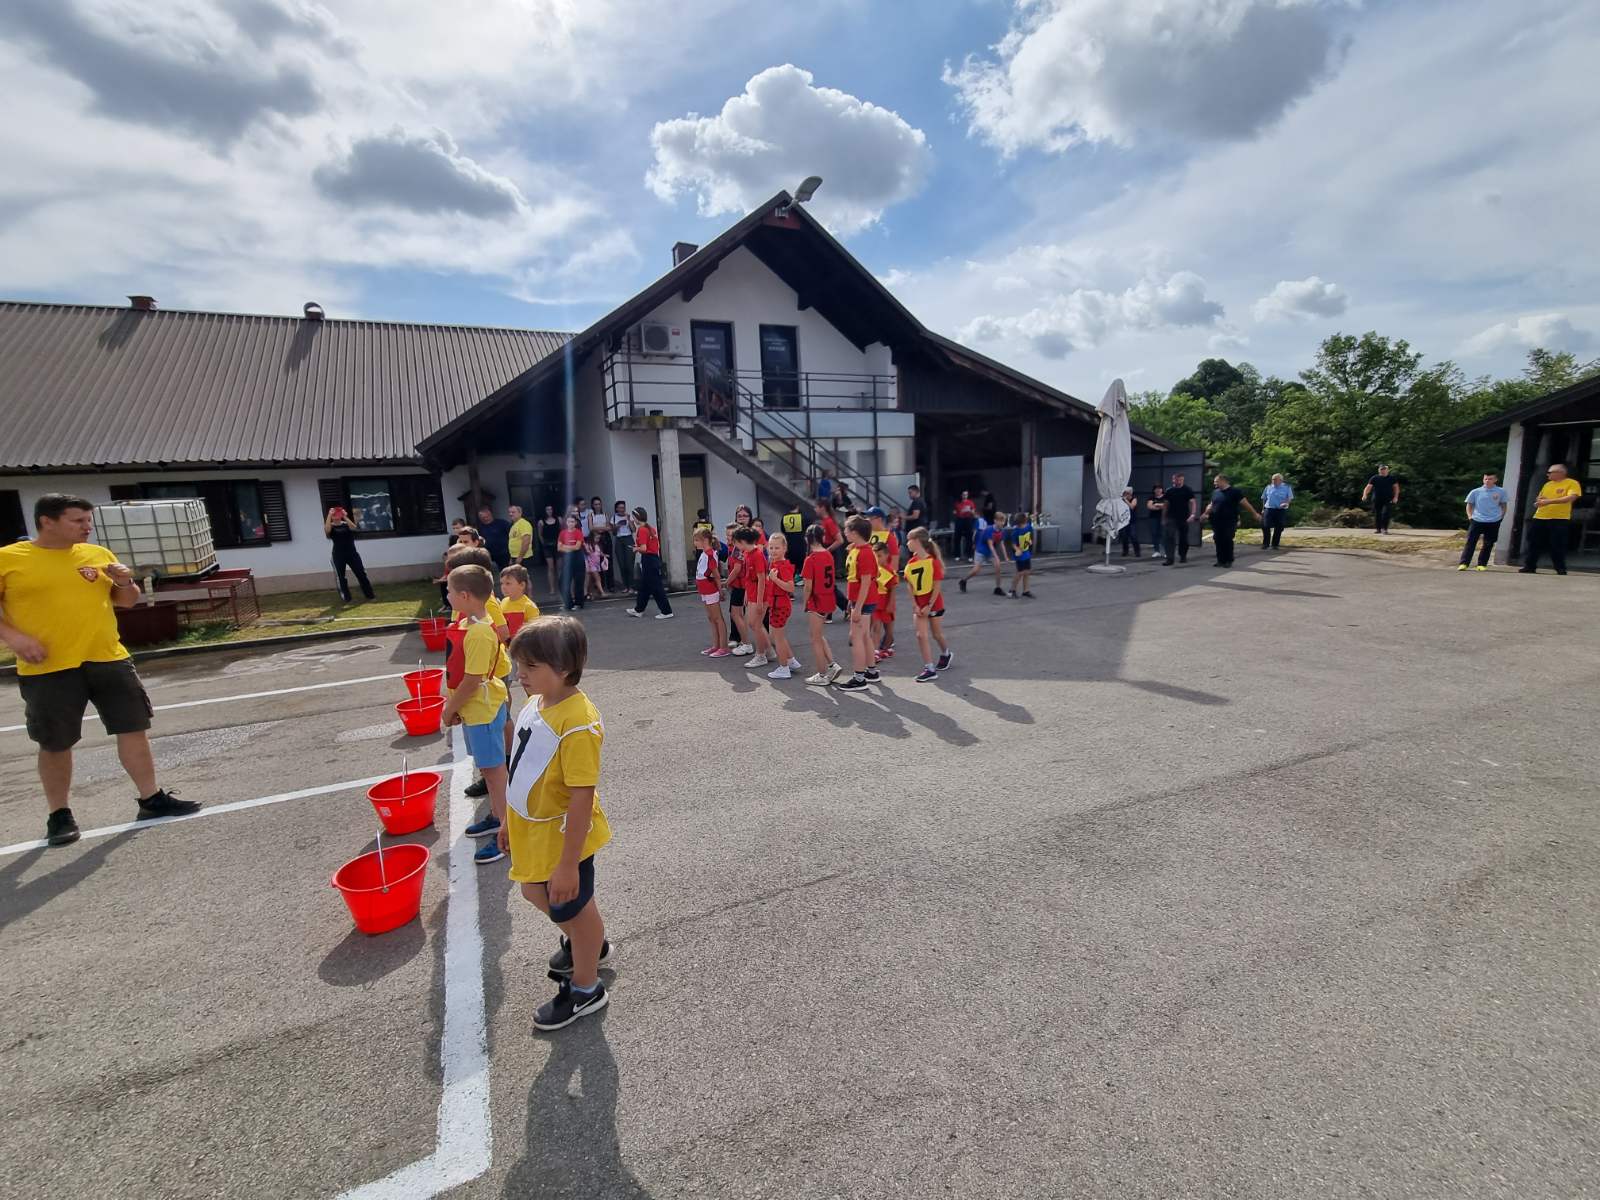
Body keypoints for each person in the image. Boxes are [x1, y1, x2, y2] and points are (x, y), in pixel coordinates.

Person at [0, 494, 198, 847]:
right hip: (48, 667)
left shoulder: (97, 554)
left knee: (133, 727)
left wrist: (124, 582)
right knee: (55, 741)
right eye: (78, 520)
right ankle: (59, 814)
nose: (87, 527)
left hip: (108, 658)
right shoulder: (9, 558)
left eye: (88, 520)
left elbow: (127, 601)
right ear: (47, 521)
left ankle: (151, 799)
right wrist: (14, 637)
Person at [499, 616, 614, 1030]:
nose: (520, 674)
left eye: (530, 666)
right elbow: (523, 765)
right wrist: (508, 818)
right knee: (535, 890)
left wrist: (568, 864)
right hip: (533, 827)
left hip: (564, 834)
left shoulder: (578, 722)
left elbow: (581, 794)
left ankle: (586, 987)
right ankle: (588, 943)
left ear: (564, 668)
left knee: (572, 904)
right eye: (519, 664)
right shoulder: (538, 701)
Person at [443, 565, 512, 867]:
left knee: (495, 774)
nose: (446, 595)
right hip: (475, 710)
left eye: (449, 591)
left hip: (482, 710)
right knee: (488, 770)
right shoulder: (469, 624)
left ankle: (509, 831)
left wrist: (450, 708)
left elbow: (472, 680)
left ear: (465, 595)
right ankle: (498, 816)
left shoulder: (481, 632)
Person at [835, 516, 882, 692]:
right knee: (864, 637)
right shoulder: (857, 549)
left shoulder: (865, 553)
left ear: (855, 532)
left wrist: (858, 607)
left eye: (847, 530)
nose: (844, 532)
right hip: (859, 600)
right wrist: (851, 602)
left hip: (864, 601)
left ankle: (859, 678)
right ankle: (871, 671)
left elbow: (866, 582)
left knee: (857, 639)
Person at [904, 528, 952, 683]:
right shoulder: (910, 563)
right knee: (921, 635)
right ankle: (929, 668)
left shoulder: (933, 562)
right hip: (919, 604)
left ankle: (946, 653)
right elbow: (910, 586)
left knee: (936, 634)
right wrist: (915, 605)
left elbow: (936, 585)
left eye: (909, 540)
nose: (907, 543)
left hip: (933, 603)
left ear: (917, 541)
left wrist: (929, 605)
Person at [1519, 462, 1582, 575]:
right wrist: (1539, 501)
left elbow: (1571, 498)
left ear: (1560, 473)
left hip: (1559, 518)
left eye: (1550, 472)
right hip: (1540, 516)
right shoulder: (1547, 484)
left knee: (1557, 543)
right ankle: (1530, 566)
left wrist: (1548, 501)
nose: (1547, 474)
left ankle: (1560, 568)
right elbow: (1541, 497)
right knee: (1534, 542)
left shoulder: (1572, 483)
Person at [801, 524, 842, 686]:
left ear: (808, 539)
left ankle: (822, 674)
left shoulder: (810, 559)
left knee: (815, 639)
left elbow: (808, 586)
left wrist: (805, 602)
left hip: (817, 601)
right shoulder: (828, 554)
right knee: (819, 635)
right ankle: (832, 665)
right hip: (828, 599)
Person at [762, 532, 803, 680]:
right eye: (771, 547)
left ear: (784, 548)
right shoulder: (774, 563)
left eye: (777, 548)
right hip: (775, 604)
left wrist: (774, 579)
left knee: (777, 638)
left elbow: (790, 587)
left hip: (780, 605)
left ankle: (784, 667)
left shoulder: (783, 566)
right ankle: (791, 661)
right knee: (776, 636)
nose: (773, 551)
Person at [1199, 474, 1260, 568]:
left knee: (1227, 539)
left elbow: (1245, 504)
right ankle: (1220, 560)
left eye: (1216, 482)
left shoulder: (1235, 492)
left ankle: (1228, 560)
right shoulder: (1215, 492)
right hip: (1216, 520)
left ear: (1223, 481)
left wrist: (1254, 514)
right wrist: (1205, 514)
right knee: (1218, 539)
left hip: (1230, 520)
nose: (1214, 483)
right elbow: (1211, 504)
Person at [734, 528, 774, 668]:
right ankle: (768, 650)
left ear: (742, 541)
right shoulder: (747, 553)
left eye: (736, 542)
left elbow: (762, 579)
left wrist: (759, 601)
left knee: (755, 624)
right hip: (752, 592)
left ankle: (760, 655)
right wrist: (747, 593)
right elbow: (749, 577)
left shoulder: (757, 555)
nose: (735, 545)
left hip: (759, 593)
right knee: (753, 624)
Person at [625, 507, 674, 618]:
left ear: (637, 517)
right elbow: (653, 545)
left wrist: (636, 549)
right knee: (644, 586)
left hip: (648, 559)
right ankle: (639, 609)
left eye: (633, 517)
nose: (633, 519)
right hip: (653, 558)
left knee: (656, 587)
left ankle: (666, 611)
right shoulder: (651, 528)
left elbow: (643, 548)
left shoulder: (642, 530)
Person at [1458, 473, 1510, 571]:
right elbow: (1469, 505)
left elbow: (1504, 505)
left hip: (1493, 520)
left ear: (1495, 480)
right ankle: (1464, 563)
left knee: (1488, 543)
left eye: (1490, 479)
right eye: (1485, 479)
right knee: (1470, 542)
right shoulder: (1476, 491)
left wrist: (1501, 516)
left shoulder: (1501, 491)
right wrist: (1470, 516)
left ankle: (1482, 564)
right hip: (1477, 519)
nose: (1487, 481)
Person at [325, 505, 375, 603]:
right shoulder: (331, 526)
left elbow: (354, 528)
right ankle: (347, 598)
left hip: (352, 554)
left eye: (337, 513)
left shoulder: (346, 524)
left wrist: (345, 516)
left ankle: (370, 595)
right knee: (341, 577)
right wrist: (329, 515)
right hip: (338, 555)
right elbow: (327, 530)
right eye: (334, 514)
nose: (336, 515)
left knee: (361, 573)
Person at [692, 528, 729, 657]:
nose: (695, 543)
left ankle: (723, 647)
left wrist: (720, 590)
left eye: (696, 540)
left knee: (717, 618)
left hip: (710, 588)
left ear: (705, 540)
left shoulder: (710, 554)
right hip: (704, 588)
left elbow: (716, 575)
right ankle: (715, 645)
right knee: (711, 618)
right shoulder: (704, 553)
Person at [959, 512, 1006, 595]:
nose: (1002, 523)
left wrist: (1006, 556)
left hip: (990, 552)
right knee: (976, 570)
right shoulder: (989, 530)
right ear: (995, 521)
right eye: (1000, 521)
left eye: (1003, 521)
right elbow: (990, 545)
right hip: (981, 551)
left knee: (998, 567)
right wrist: (997, 557)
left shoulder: (1002, 531)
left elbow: (1001, 544)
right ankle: (963, 580)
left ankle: (998, 588)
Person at [816, 501, 847, 615]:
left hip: (830, 554)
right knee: (825, 585)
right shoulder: (824, 521)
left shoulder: (829, 522)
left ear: (822, 508)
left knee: (828, 585)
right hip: (826, 552)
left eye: (816, 507)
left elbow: (840, 540)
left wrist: (827, 550)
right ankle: (830, 609)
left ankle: (844, 607)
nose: (815, 509)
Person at [1162, 474, 1198, 566]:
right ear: (1173, 480)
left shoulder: (1187, 490)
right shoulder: (1169, 490)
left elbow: (1193, 502)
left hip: (1184, 517)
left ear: (1183, 480)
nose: (1179, 481)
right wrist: (1164, 517)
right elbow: (1166, 504)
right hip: (1171, 517)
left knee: (1183, 538)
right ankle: (1170, 558)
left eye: (1181, 480)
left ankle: (1183, 555)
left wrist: (1193, 514)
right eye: (1177, 480)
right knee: (1169, 537)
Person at [498, 565, 542, 635]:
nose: (503, 587)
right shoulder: (503, 602)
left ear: (522, 585)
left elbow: (535, 632)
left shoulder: (529, 607)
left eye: (508, 583)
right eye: (502, 583)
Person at [556, 514, 585, 611]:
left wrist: (565, 546)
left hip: (578, 558)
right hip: (568, 559)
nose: (570, 523)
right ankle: (568, 603)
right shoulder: (562, 533)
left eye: (572, 522)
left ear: (575, 523)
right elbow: (559, 548)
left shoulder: (578, 532)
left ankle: (578, 603)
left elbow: (577, 547)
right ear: (566, 522)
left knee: (578, 582)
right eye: (569, 521)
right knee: (562, 582)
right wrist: (569, 547)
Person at [1362, 466, 1400, 535]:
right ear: (1379, 471)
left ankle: (1384, 529)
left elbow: (1396, 488)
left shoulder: (1392, 478)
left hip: (1388, 499)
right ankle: (1378, 529)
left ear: (1387, 471)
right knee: (1377, 514)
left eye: (1384, 470)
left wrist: (1396, 497)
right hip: (1377, 499)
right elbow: (1368, 487)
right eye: (1381, 470)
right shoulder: (1374, 478)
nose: (1383, 471)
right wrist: (1364, 494)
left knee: (1386, 513)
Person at [1259, 475, 1293, 549]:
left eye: (1275, 479)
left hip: (1280, 509)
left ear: (1281, 480)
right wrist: (1263, 509)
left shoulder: (1287, 487)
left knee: (1279, 527)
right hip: (1269, 508)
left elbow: (1289, 498)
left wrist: (1286, 503)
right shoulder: (1268, 487)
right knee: (1266, 526)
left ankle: (1275, 544)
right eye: (1272, 479)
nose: (1273, 481)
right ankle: (1266, 544)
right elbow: (1264, 498)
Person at [1007, 512, 1036, 596]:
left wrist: (1030, 541)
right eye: (1019, 525)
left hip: (1026, 553)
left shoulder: (1029, 527)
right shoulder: (1015, 532)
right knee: (1020, 572)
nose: (1021, 526)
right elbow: (1013, 544)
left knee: (1027, 572)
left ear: (1025, 521)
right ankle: (1012, 590)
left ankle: (1026, 591)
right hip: (1020, 555)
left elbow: (1030, 537)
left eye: (1022, 524)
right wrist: (1017, 550)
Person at [476, 504, 512, 572]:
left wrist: (512, 555)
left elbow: (512, 537)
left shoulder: (502, 523)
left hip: (504, 555)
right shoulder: (479, 528)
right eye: (482, 517)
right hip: (489, 556)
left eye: (486, 516)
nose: (485, 518)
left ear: (490, 514)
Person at [610, 501, 634, 592]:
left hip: (628, 538)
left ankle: (631, 586)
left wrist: (629, 520)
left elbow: (633, 529)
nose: (622, 509)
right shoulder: (614, 518)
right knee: (622, 564)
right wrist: (616, 526)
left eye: (623, 507)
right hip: (619, 540)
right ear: (616, 509)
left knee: (629, 564)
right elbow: (614, 533)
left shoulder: (629, 516)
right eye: (620, 508)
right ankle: (625, 586)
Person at [537, 505, 561, 596]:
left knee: (559, 567)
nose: (549, 511)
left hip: (558, 545)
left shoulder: (559, 519)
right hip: (547, 546)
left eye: (551, 509)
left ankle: (561, 586)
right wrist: (543, 543)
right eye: (547, 509)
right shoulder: (541, 522)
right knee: (551, 567)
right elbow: (540, 534)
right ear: (545, 511)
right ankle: (552, 588)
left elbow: (562, 531)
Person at [781, 501, 807, 571]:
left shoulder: (784, 517)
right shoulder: (803, 517)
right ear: (797, 507)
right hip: (800, 546)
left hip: (789, 546)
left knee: (791, 569)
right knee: (802, 569)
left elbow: (783, 530)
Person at [953, 490, 978, 562]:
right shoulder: (957, 503)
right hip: (959, 519)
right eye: (964, 494)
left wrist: (970, 511)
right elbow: (955, 512)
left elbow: (974, 512)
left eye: (966, 494)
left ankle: (969, 556)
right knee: (957, 537)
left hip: (968, 519)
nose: (965, 496)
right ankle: (957, 555)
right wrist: (956, 512)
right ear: (961, 495)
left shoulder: (970, 502)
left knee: (969, 538)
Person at [1116, 488, 1141, 558]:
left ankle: (1137, 551)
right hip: (1124, 521)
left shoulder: (1134, 499)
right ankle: (1125, 551)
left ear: (1130, 493)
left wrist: (1126, 500)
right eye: (1124, 493)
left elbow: (1132, 506)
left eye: (1127, 493)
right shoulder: (1122, 500)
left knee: (1133, 536)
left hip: (1131, 521)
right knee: (1124, 536)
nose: (1125, 495)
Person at [582, 532, 608, 601]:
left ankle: (590, 593)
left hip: (596, 565)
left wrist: (604, 555)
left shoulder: (597, 545)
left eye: (599, 538)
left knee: (591, 580)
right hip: (591, 565)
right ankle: (602, 592)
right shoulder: (588, 545)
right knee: (597, 578)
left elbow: (599, 553)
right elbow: (587, 554)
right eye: (596, 538)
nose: (598, 540)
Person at [508, 505, 534, 571]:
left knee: (523, 576)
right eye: (509, 512)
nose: (510, 514)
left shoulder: (524, 524)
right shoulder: (513, 525)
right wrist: (511, 558)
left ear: (520, 513)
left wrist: (520, 557)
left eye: (513, 512)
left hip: (524, 557)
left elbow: (526, 542)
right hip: (515, 556)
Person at [1146, 485, 1167, 552]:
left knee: (1163, 534)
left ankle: (1164, 551)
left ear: (1162, 490)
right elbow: (1149, 506)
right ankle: (1156, 551)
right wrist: (1161, 507)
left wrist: (1157, 504)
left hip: (1163, 518)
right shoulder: (1151, 497)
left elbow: (1167, 506)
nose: (1158, 490)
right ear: (1154, 490)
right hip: (1153, 518)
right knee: (1154, 534)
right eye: (1156, 489)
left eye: (1159, 488)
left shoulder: (1166, 497)